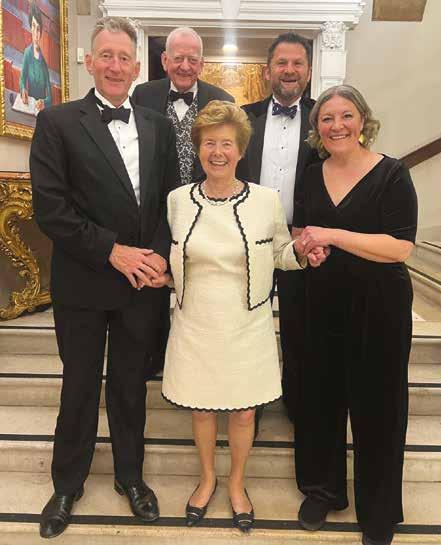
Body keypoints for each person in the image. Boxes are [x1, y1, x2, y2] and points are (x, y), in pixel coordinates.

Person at [30, 17, 178, 539]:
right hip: (84, 280)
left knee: (131, 386)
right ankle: (66, 484)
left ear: (137, 67)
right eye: (106, 55)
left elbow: (171, 202)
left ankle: (130, 476)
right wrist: (112, 251)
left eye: (124, 57)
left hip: (142, 285)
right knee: (79, 385)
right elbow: (51, 209)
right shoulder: (56, 121)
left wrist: (159, 257)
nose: (115, 66)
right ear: (89, 62)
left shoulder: (159, 126)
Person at [150, 101, 327, 532]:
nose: (218, 152)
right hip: (196, 321)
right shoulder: (177, 201)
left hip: (247, 323)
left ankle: (236, 483)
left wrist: (302, 254)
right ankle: (207, 478)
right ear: (199, 148)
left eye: (226, 144)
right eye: (209, 143)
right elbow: (168, 258)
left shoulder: (266, 201)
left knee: (245, 413)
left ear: (241, 150)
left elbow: (280, 254)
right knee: (202, 410)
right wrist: (161, 274)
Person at [292, 85, 418, 545]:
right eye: (327, 118)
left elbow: (400, 247)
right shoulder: (311, 175)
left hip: (379, 305)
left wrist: (333, 235)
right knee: (320, 398)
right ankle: (322, 491)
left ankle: (379, 510)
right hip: (321, 300)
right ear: (317, 129)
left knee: (379, 406)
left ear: (363, 120)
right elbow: (300, 231)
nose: (337, 125)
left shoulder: (392, 173)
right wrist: (307, 249)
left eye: (346, 115)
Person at [133, 27, 234, 378]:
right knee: (152, 288)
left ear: (202, 64)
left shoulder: (222, 99)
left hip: (204, 212)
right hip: (153, 212)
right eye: (178, 58)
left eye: (193, 59)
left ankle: (198, 361)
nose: (185, 66)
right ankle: (153, 357)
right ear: (165, 60)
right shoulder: (142, 95)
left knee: (200, 286)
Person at [238, 32, 319, 427]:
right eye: (282, 63)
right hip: (249, 237)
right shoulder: (243, 116)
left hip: (301, 239)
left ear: (308, 71)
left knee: (299, 325)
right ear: (267, 71)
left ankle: (298, 401)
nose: (289, 70)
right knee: (247, 321)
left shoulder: (324, 118)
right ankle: (247, 401)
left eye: (297, 63)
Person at [20, 1, 52, 111]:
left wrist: (44, 102)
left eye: (38, 29)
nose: (35, 32)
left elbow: (50, 98)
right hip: (29, 108)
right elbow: (22, 79)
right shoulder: (27, 54)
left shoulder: (44, 65)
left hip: (41, 112)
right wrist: (23, 89)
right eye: (33, 26)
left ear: (41, 32)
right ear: (30, 27)